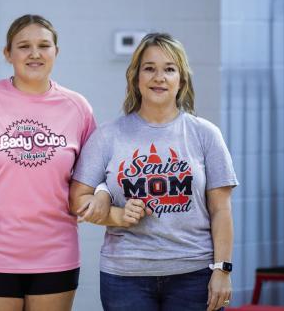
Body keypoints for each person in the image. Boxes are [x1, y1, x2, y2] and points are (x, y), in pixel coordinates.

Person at [0, 14, 99, 311]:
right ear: (7, 54)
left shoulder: (77, 107)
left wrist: (99, 196)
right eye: (24, 46)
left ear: (56, 52)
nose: (35, 53)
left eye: (44, 45)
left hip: (56, 249)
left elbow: (95, 173)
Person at [69, 32, 238, 311]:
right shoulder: (108, 136)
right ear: (136, 77)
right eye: (149, 68)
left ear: (181, 80)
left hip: (194, 273)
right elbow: (77, 200)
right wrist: (107, 202)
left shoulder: (205, 134)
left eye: (169, 69)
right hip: (125, 276)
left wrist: (223, 270)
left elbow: (221, 210)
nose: (159, 77)